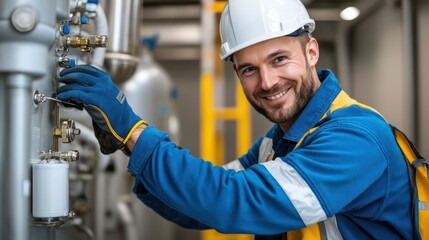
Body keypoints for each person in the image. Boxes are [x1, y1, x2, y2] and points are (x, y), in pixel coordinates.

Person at [57, 0, 414, 239]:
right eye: (249, 69)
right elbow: (204, 205)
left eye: (278, 59)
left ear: (311, 52)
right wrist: (124, 142)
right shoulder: (279, 144)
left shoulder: (355, 138)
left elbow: (235, 200)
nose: (268, 82)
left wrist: (134, 132)